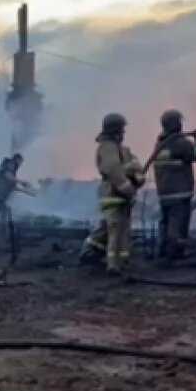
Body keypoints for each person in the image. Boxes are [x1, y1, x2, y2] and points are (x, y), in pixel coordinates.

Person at [80, 113, 143, 275]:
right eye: (122, 130)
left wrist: (138, 177)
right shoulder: (107, 148)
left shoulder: (121, 149)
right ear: (115, 130)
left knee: (122, 231)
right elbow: (113, 171)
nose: (123, 134)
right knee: (115, 230)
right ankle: (112, 265)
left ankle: (122, 262)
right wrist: (128, 189)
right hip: (112, 195)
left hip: (122, 197)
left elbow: (136, 166)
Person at [150, 109, 196, 264]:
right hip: (179, 193)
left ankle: (162, 251)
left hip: (164, 192)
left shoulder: (160, 143)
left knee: (165, 222)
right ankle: (173, 255)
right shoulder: (179, 143)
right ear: (176, 124)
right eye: (180, 122)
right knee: (178, 225)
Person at [0, 153, 35, 234]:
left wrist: (27, 192)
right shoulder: (9, 164)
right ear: (17, 159)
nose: (21, 164)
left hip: (0, 194)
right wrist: (22, 182)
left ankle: (3, 229)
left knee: (3, 210)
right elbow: (8, 176)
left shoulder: (13, 170)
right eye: (20, 161)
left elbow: (13, 186)